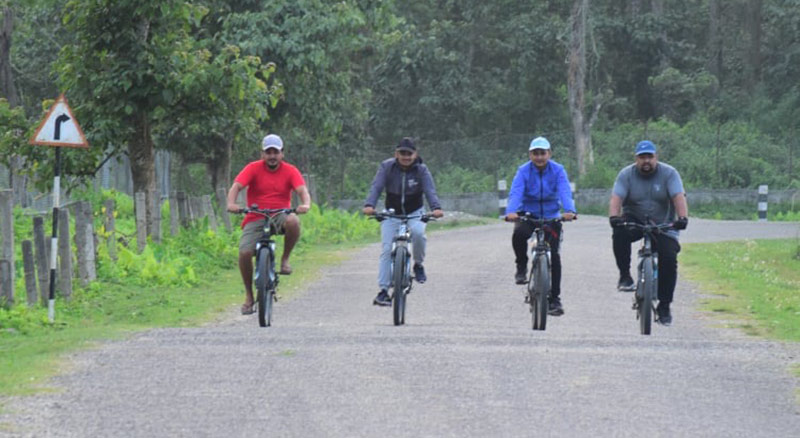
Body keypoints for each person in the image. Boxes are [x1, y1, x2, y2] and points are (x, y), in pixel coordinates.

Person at [226, 134, 311, 315]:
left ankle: (285, 259)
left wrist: (305, 204)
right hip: (256, 215)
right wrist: (232, 204)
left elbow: (302, 190)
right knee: (245, 252)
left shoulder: (290, 170)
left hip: (280, 214)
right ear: (262, 154)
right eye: (268, 152)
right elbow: (236, 186)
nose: (272, 156)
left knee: (293, 221)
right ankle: (249, 296)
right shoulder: (253, 168)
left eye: (276, 152)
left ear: (282, 154)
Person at [608, 140, 688, 326]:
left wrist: (682, 218)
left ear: (656, 158)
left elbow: (678, 196)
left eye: (650, 157)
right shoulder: (626, 175)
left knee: (669, 257)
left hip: (663, 225)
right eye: (642, 157)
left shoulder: (669, 173)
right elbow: (616, 197)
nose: (646, 161)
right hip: (635, 220)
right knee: (619, 233)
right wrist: (614, 217)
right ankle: (625, 276)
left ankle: (665, 305)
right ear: (636, 159)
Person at [363, 137, 444, 306]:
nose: (406, 157)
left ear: (415, 154)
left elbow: (430, 190)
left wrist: (436, 208)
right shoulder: (387, 167)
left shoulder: (421, 170)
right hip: (391, 213)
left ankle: (418, 265)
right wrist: (369, 205)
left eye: (409, 153)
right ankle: (383, 291)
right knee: (386, 249)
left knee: (419, 234)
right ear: (396, 154)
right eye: (402, 153)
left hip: (415, 212)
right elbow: (376, 187)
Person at [505, 136, 577, 316]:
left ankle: (555, 299)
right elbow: (516, 192)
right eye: (535, 154)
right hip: (528, 214)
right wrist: (511, 211)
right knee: (519, 233)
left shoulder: (558, 170)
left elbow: (564, 191)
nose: (539, 157)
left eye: (542, 153)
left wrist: (569, 210)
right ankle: (521, 266)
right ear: (530, 155)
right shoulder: (523, 171)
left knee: (555, 258)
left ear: (549, 154)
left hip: (552, 216)